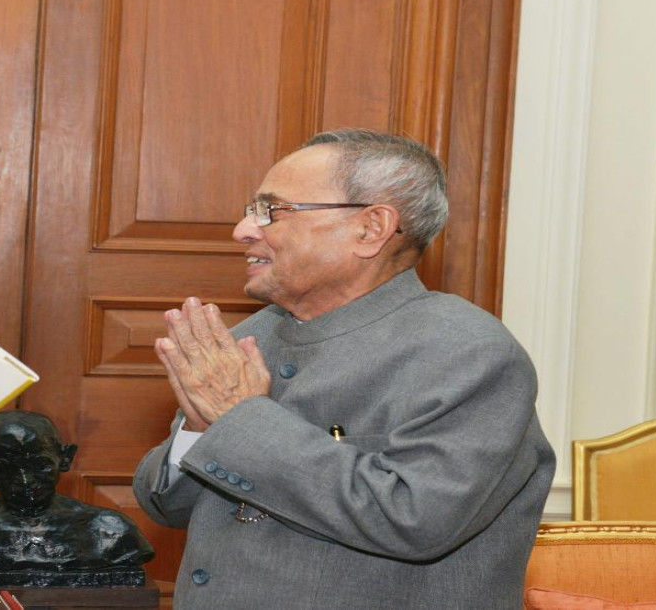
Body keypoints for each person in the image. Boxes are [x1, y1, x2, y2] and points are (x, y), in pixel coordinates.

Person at [132, 129, 555, 609]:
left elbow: (415, 520)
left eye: (272, 210)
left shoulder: (468, 352)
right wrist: (197, 427)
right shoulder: (250, 338)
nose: (243, 230)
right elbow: (166, 506)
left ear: (371, 228)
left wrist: (237, 419)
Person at [0, 411, 153, 572]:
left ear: (65, 459)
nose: (24, 480)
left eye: (39, 465)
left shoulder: (109, 531)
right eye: (4, 469)